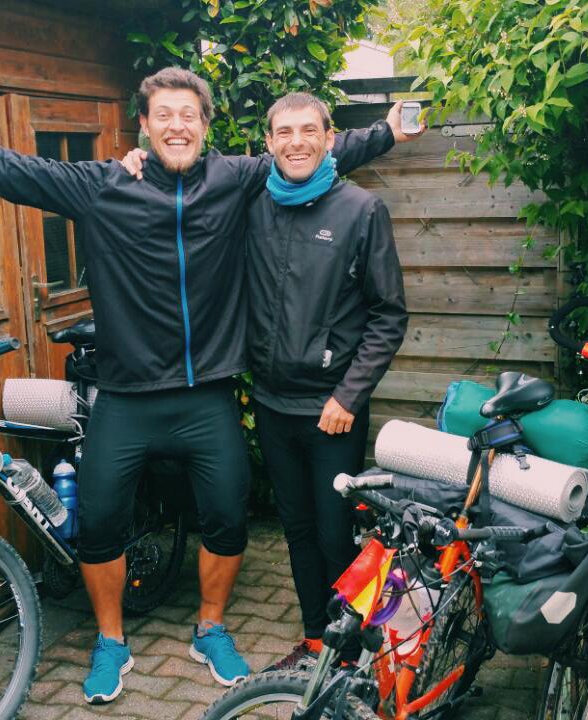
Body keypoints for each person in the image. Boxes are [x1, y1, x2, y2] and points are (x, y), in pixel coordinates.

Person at [0, 67, 420, 704]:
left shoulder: (233, 179)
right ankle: (111, 642)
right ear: (142, 125)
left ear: (205, 124)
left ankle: (212, 628)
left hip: (207, 395)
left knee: (228, 519)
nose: (177, 126)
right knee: (100, 526)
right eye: (163, 115)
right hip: (125, 396)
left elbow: (308, 152)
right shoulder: (105, 184)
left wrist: (386, 132)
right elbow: (7, 170)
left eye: (188, 115)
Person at [123, 91, 408, 669]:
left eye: (309, 131)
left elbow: (388, 315)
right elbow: (189, 176)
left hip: (332, 409)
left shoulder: (361, 210)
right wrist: (140, 161)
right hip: (273, 404)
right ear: (269, 143)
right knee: (297, 530)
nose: (296, 142)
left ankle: (349, 656)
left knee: (335, 535)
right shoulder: (253, 203)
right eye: (284, 132)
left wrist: (349, 395)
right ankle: (315, 641)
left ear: (330, 140)